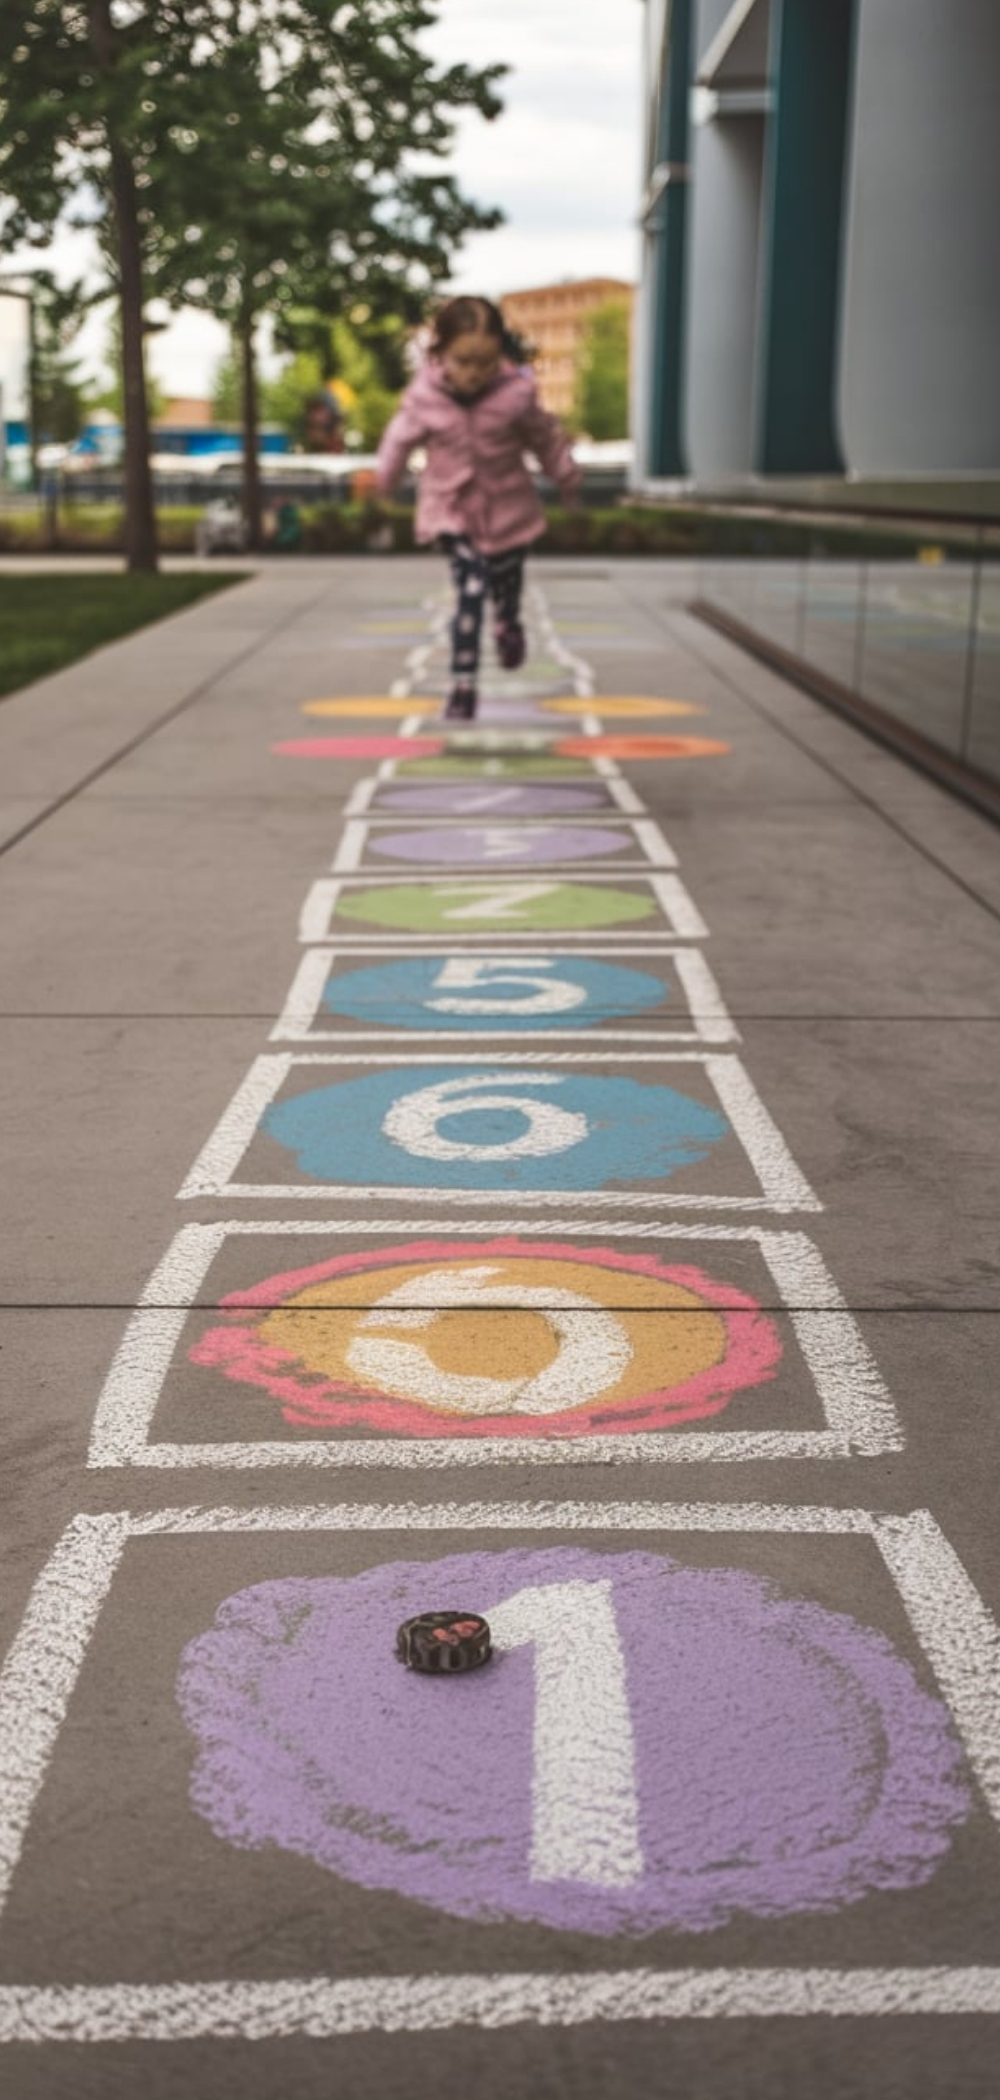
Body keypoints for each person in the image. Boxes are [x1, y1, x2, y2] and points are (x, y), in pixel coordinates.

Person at [375, 295, 580, 720]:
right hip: (451, 510)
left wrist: (564, 475)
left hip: (509, 510)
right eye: (462, 360)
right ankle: (462, 685)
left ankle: (509, 622)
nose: (473, 373)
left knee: (506, 583)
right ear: (440, 353)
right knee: (470, 586)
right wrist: (385, 481)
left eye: (485, 362)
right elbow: (398, 441)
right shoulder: (423, 398)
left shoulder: (517, 394)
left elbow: (545, 438)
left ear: (500, 355)